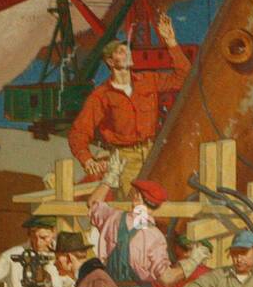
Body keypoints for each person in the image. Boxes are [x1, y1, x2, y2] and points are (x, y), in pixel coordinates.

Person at [67, 18, 190, 195]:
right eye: (121, 51)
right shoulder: (101, 96)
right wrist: (87, 160)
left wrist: (171, 42)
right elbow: (78, 133)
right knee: (131, 208)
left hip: (154, 154)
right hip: (125, 160)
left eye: (127, 50)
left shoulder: (148, 80)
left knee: (162, 203)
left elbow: (184, 77)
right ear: (110, 62)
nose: (127, 53)